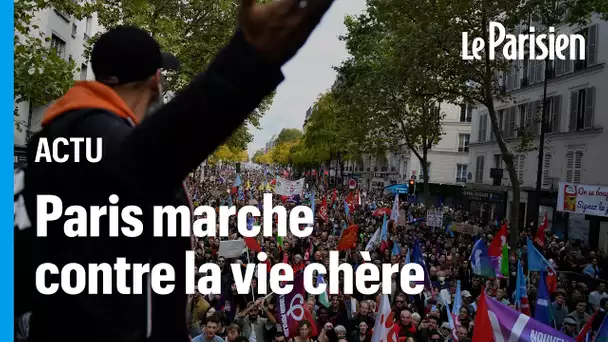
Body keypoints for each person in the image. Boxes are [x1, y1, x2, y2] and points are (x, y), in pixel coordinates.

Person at [25, 1, 336, 341]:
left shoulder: (55, 139)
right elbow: (159, 151)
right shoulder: (104, 141)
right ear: (155, 80)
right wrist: (250, 57)